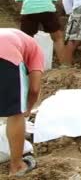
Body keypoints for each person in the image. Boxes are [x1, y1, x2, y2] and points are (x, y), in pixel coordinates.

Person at [0, 29, 44, 177]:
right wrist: (27, 109)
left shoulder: (13, 35)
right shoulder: (35, 48)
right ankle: (17, 166)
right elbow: (34, 88)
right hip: (6, 56)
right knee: (15, 114)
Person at [15, 0, 66, 66]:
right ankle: (64, 65)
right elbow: (52, 2)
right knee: (58, 38)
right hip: (48, 11)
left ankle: (25, 66)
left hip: (28, 11)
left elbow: (20, 4)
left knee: (26, 40)